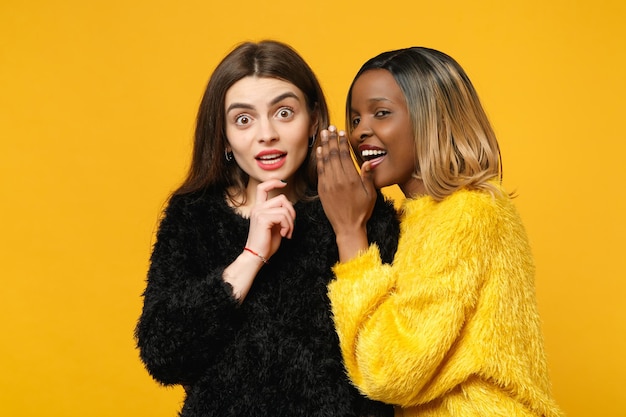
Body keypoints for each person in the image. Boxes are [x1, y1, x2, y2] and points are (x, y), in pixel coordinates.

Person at [134, 40, 399, 417]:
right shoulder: (194, 215)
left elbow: (389, 364)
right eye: (244, 119)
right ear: (224, 136)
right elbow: (163, 355)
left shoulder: (361, 211)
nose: (266, 134)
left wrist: (348, 228)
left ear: (312, 120)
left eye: (284, 113)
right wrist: (251, 256)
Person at [316, 47, 563, 416]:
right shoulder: (419, 218)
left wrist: (350, 233)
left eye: (381, 113)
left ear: (432, 118)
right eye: (354, 119)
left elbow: (392, 371)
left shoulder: (466, 213)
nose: (360, 131)